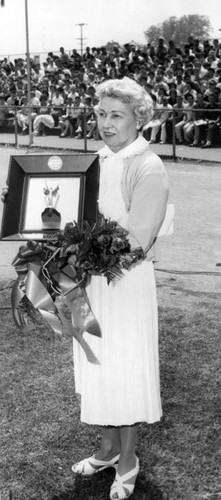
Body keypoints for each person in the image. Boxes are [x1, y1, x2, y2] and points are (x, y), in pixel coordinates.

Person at [71, 77, 170, 500]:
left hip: (125, 285)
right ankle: (108, 449)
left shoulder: (147, 166)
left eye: (116, 115)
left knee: (124, 368)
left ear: (138, 118)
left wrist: (78, 251)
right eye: (100, 113)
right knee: (99, 365)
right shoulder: (95, 160)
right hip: (93, 282)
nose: (106, 123)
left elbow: (136, 240)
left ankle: (128, 460)